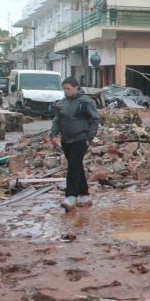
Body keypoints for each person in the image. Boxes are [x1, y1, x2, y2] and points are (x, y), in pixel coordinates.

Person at [47, 77, 99, 212]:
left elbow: (94, 120)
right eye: (64, 89)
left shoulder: (86, 102)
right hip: (66, 140)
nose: (66, 91)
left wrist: (89, 138)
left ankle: (70, 197)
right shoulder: (61, 104)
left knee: (73, 166)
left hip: (81, 139)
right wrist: (53, 135)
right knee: (76, 166)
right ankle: (85, 195)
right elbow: (57, 120)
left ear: (76, 88)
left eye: (68, 88)